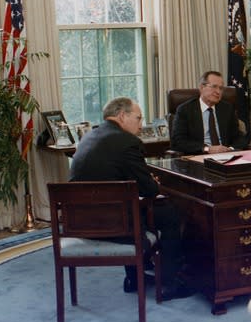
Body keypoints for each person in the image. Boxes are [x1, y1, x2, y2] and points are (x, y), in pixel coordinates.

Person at [69, 97, 193, 301]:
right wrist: (150, 181)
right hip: (112, 225)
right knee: (171, 215)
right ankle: (170, 284)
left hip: (81, 221)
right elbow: (150, 190)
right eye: (138, 118)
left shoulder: (90, 136)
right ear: (121, 116)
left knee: (132, 207)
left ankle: (135, 278)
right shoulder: (127, 142)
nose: (141, 124)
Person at [170, 71, 249, 154]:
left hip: (226, 156)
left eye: (221, 88)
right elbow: (178, 142)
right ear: (201, 87)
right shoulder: (185, 110)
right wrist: (207, 149)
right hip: (199, 156)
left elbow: (239, 137)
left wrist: (231, 149)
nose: (218, 92)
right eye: (214, 87)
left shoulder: (227, 108)